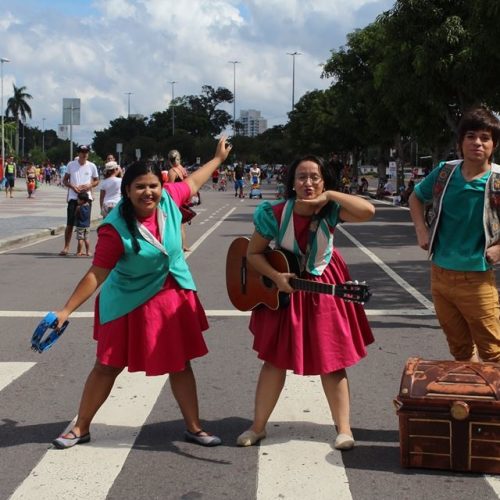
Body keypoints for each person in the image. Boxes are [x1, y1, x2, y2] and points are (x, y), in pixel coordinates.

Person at [51, 137, 232, 450]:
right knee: (107, 366)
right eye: (139, 187)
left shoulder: (169, 200)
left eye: (153, 186)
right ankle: (80, 426)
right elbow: (96, 274)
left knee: (180, 363)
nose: (148, 192)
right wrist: (65, 310)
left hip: (171, 295)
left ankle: (194, 427)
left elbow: (193, 181)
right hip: (127, 301)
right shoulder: (115, 227)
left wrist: (218, 159)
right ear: (126, 191)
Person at [236, 154, 375, 450]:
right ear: (292, 183)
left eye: (315, 177)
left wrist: (332, 195)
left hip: (324, 281)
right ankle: (258, 427)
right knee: (274, 360)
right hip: (285, 289)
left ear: (323, 182)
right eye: (302, 177)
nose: (308, 183)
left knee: (332, 359)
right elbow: (252, 254)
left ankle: (344, 429)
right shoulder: (273, 213)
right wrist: (276, 275)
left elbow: (368, 211)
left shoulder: (332, 209)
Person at [409, 106, 500, 363]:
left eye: (485, 137)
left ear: (494, 144)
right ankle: (471, 398)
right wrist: (421, 229)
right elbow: (416, 198)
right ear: (460, 142)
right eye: (471, 136)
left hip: (477, 277)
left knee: (493, 353)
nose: (477, 143)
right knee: (459, 350)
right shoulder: (445, 172)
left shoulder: (497, 180)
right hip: (440, 274)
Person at [59, 145, 99, 256]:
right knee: (70, 223)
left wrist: (89, 185)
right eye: (82, 152)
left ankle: (84, 250)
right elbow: (65, 180)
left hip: (86, 199)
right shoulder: (71, 165)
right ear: (78, 153)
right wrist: (72, 186)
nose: (84, 154)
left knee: (84, 224)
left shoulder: (92, 166)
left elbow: (96, 181)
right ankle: (66, 247)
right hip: (74, 197)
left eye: (86, 152)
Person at [75, 191, 91, 257]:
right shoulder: (88, 206)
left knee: (80, 239)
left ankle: (79, 252)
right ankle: (88, 252)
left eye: (78, 199)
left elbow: (76, 215)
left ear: (82, 200)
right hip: (87, 225)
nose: (77, 200)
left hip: (80, 225)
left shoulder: (78, 207)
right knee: (86, 239)